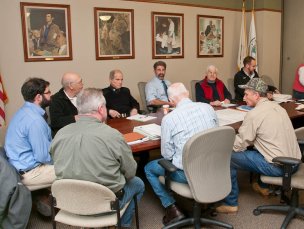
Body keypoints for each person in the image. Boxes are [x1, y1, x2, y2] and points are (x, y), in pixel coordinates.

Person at [50, 88, 145, 228]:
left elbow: (56, 163)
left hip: (70, 201)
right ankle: (123, 225)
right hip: (105, 204)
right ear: (101, 109)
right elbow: (130, 172)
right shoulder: (113, 135)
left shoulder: (59, 134)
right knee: (138, 183)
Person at [216, 78, 301, 214]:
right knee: (258, 147)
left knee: (229, 157)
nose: (243, 98)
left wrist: (222, 143)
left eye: (246, 94)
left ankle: (230, 203)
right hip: (294, 162)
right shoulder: (278, 107)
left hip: (278, 167)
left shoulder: (255, 114)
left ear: (256, 95)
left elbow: (239, 145)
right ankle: (263, 186)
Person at [144, 83, 218, 225]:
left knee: (148, 169)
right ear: (188, 93)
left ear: (171, 101)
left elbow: (167, 155)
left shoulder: (169, 119)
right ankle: (207, 203)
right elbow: (216, 135)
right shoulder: (208, 108)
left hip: (187, 173)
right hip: (212, 167)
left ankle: (172, 209)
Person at [4, 77, 55, 217]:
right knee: (75, 168)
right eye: (48, 92)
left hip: (17, 167)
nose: (51, 95)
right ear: (39, 97)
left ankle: (43, 198)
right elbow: (43, 157)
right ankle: (79, 210)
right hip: (29, 173)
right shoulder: (35, 121)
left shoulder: (23, 112)